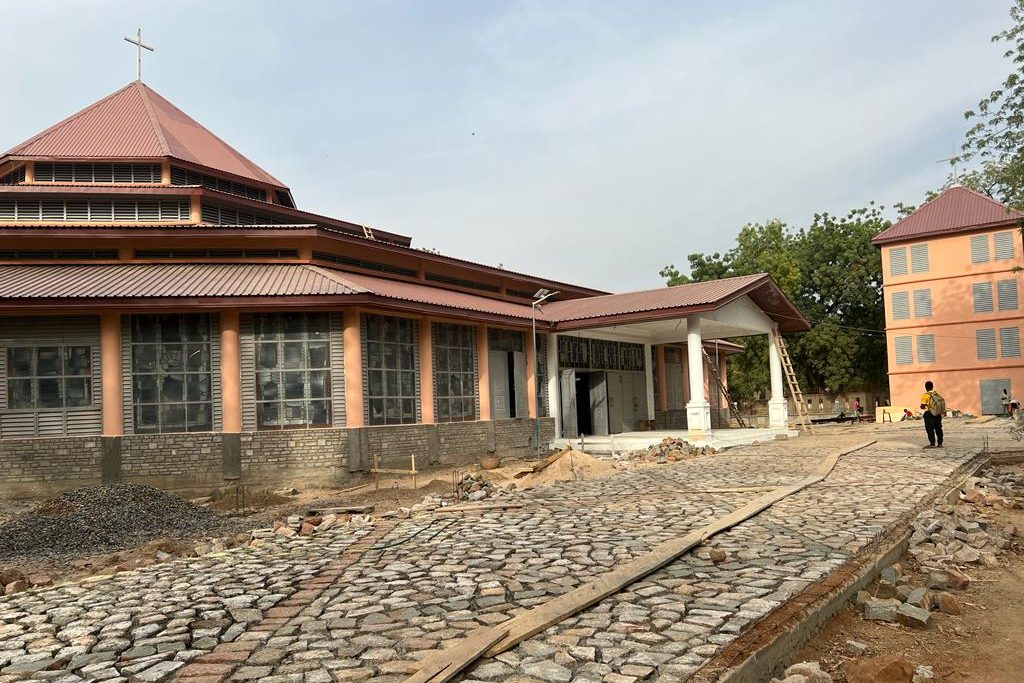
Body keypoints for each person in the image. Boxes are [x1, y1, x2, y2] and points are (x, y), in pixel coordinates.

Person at [920, 381, 944, 448]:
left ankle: (932, 443)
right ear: (932, 386)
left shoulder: (925, 395)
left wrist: (922, 406)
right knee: (938, 428)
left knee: (930, 428)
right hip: (937, 413)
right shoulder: (937, 394)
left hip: (929, 413)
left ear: (925, 387)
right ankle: (940, 443)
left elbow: (922, 406)